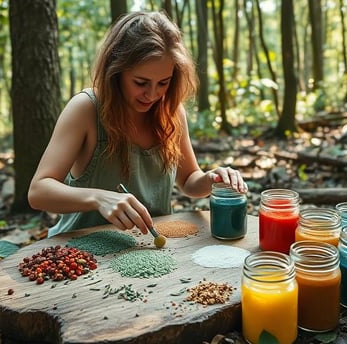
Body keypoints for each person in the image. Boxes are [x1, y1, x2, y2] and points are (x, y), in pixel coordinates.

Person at [28, 11, 247, 238]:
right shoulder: (86, 109)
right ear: (116, 71)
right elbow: (38, 191)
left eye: (163, 82)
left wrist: (211, 179)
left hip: (150, 249)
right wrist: (99, 198)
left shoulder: (171, 112)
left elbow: (189, 180)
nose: (152, 95)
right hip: (80, 251)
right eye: (141, 82)